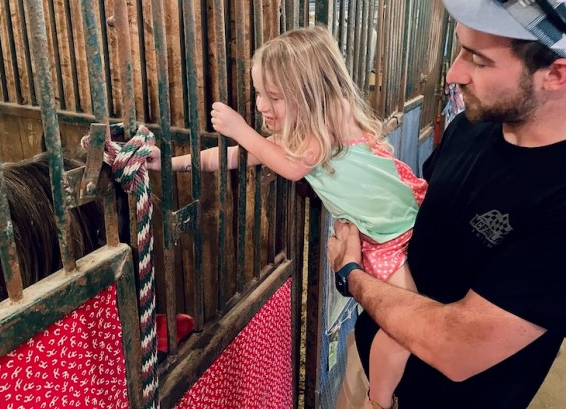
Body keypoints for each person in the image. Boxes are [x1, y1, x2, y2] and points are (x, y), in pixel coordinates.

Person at [326, 0, 566, 407]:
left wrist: (350, 273)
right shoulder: (470, 127)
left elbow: (456, 348)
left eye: (479, 60)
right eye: (461, 50)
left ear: (556, 74)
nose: (455, 74)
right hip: (375, 357)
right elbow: (414, 219)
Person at [148, 25, 427, 408]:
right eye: (260, 93)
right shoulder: (304, 130)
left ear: (310, 91)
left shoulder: (330, 118)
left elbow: (292, 168)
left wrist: (241, 128)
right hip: (391, 232)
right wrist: (167, 164)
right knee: (401, 326)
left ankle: (377, 402)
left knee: (402, 329)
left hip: (397, 238)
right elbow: (233, 157)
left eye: (273, 96)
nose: (261, 105)